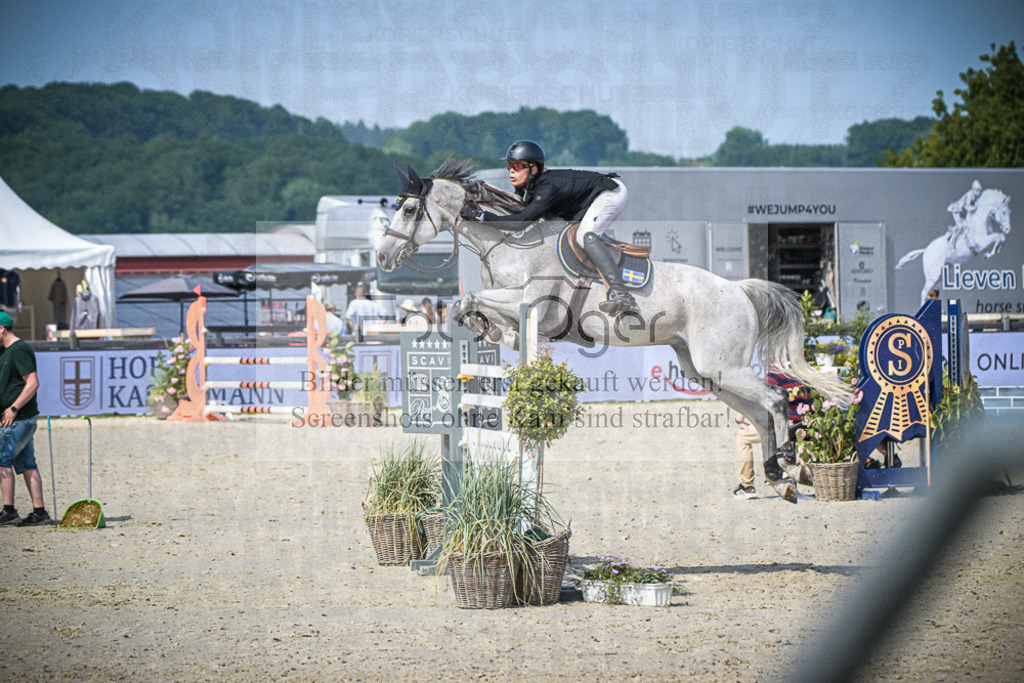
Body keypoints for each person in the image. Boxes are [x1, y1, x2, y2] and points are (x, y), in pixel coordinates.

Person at [459, 140, 639, 316]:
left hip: (610, 193)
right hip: (589, 200)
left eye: (518, 166)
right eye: (510, 166)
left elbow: (518, 222)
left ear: (534, 169)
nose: (512, 171)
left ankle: (623, 295)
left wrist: (481, 216)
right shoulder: (529, 187)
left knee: (585, 236)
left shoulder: (546, 188)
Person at [0, 311, 50, 526]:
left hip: (18, 417)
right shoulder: (4, 351)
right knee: (26, 462)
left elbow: (33, 382)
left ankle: (9, 510)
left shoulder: (19, 349)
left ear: (1, 329)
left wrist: (13, 407)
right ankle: (40, 512)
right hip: (21, 418)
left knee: (2, 460)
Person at [733, 371, 813, 500]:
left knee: (743, 436)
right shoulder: (803, 373)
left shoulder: (774, 377)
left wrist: (739, 419)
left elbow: (756, 401)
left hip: (784, 427)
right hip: (804, 425)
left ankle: (747, 487)